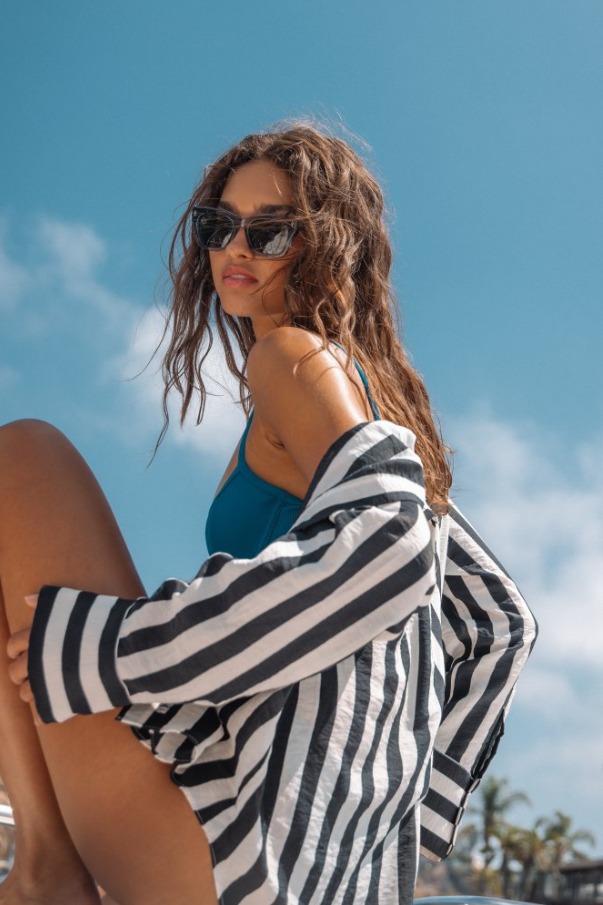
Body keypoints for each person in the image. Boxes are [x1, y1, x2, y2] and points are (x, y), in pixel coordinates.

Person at [0, 121, 537, 905]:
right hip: (307, 870)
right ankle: (44, 867)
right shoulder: (363, 409)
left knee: (21, 458)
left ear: (324, 246)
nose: (236, 248)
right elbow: (500, 623)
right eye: (219, 225)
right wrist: (399, 839)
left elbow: (387, 553)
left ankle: (45, 868)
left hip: (241, 861)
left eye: (270, 229)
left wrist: (115, 649)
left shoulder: (291, 359)